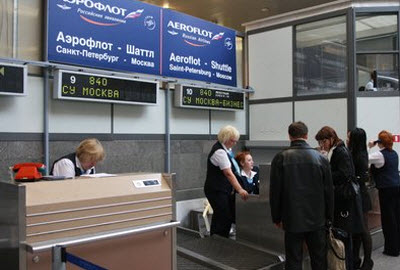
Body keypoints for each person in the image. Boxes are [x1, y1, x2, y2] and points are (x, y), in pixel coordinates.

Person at [270, 121, 334, 270]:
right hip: (317, 218)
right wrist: (329, 217)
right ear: (306, 135)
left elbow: (275, 192)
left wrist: (276, 217)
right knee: (319, 258)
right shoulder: (321, 159)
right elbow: (329, 192)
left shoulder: (280, 158)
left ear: (289, 136)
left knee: (294, 259)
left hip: (292, 218)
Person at [316, 126, 365, 270]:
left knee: (344, 236)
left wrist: (326, 172)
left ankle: (347, 265)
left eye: (323, 141)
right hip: (343, 197)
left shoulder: (340, 151)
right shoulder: (337, 150)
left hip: (344, 199)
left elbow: (344, 174)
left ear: (330, 138)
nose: (321, 145)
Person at [204, 125, 248, 238]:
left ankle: (219, 239)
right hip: (216, 190)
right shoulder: (219, 152)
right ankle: (218, 240)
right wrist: (240, 189)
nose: (235, 143)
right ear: (226, 139)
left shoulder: (227, 150)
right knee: (223, 216)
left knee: (222, 215)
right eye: (233, 141)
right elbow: (228, 173)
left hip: (223, 189)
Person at [368, 130, 400, 257]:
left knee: (388, 219)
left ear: (380, 142)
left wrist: (369, 146)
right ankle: (397, 245)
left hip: (386, 189)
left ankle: (391, 249)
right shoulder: (395, 154)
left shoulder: (379, 155)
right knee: (397, 217)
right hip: (396, 186)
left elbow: (365, 159)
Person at [347, 128, 374, 270]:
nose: (347, 139)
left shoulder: (358, 155)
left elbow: (360, 176)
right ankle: (356, 258)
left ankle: (368, 261)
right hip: (360, 193)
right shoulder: (360, 153)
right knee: (357, 228)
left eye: (349, 137)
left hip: (360, 195)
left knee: (363, 229)